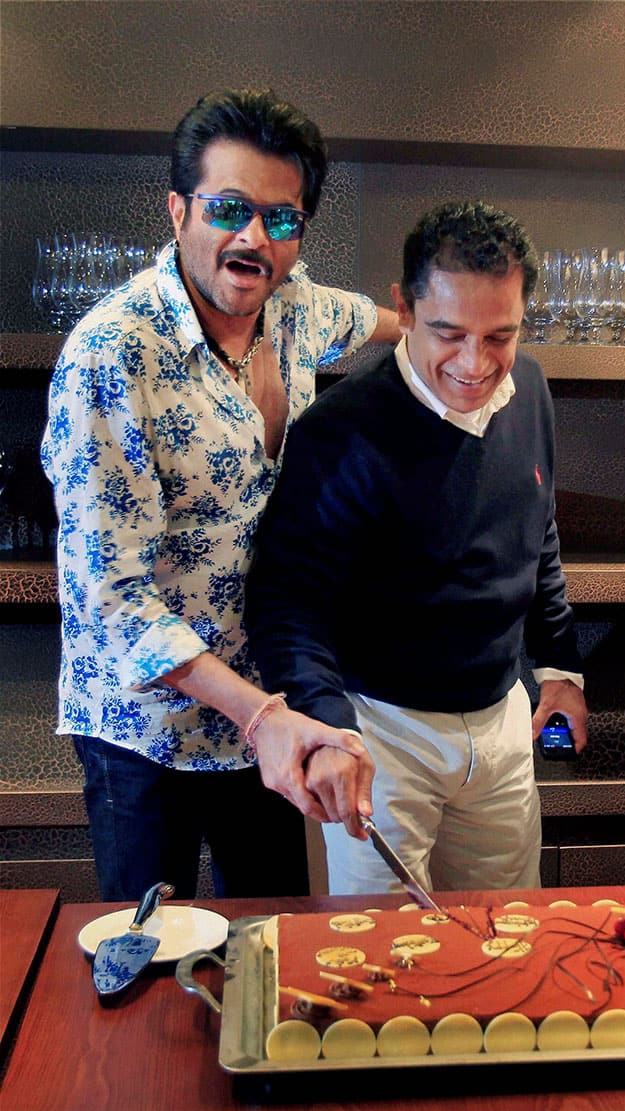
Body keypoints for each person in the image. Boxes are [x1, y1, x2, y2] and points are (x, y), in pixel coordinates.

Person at [40, 87, 400, 901]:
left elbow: (365, 318)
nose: (253, 239)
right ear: (178, 210)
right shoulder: (113, 353)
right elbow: (114, 599)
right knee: (150, 962)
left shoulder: (294, 307)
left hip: (265, 710)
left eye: (281, 219)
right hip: (146, 731)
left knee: (272, 940)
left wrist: (440, 330)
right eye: (229, 209)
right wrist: (263, 715)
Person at [246, 200, 588, 895]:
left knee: (506, 936)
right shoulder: (340, 431)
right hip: (382, 729)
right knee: (382, 956)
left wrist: (560, 669)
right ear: (404, 309)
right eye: (449, 332)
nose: (474, 362)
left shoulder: (533, 394)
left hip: (501, 721)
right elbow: (287, 605)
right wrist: (330, 730)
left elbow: (536, 529)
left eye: (501, 335)